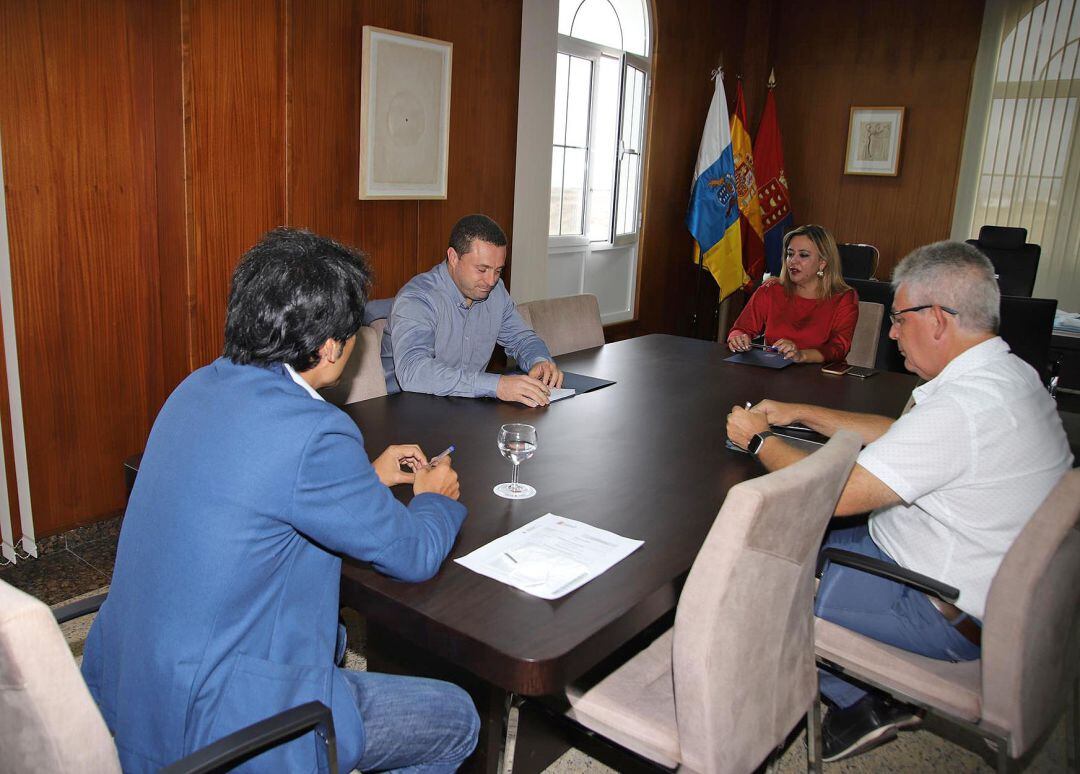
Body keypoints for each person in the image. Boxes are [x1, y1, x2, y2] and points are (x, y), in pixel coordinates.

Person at [81, 228, 479, 773]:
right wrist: (433, 498)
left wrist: (361, 478)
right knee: (456, 719)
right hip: (223, 722)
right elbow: (410, 555)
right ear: (330, 348)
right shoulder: (315, 430)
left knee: (335, 642)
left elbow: (257, 490)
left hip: (130, 693)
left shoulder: (193, 389)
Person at [726, 241, 1072, 762]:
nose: (889, 333)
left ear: (936, 319)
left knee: (756, 579)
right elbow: (905, 434)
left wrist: (756, 439)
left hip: (930, 606)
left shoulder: (962, 410)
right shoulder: (1009, 376)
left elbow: (831, 495)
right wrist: (802, 413)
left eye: (898, 319)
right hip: (960, 572)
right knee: (784, 544)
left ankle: (862, 696)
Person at [384, 214, 563, 407]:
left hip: (466, 407)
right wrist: (497, 386)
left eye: (498, 270)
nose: (491, 281)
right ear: (453, 258)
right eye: (482, 269)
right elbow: (414, 371)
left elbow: (522, 339)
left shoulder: (496, 293)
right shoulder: (418, 299)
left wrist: (539, 361)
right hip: (408, 412)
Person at [726, 224, 858, 363]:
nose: (793, 261)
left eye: (803, 255)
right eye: (790, 254)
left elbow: (838, 348)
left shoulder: (844, 298)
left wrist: (801, 355)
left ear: (822, 263)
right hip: (773, 374)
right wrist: (738, 338)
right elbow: (740, 329)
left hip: (819, 377)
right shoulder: (771, 289)